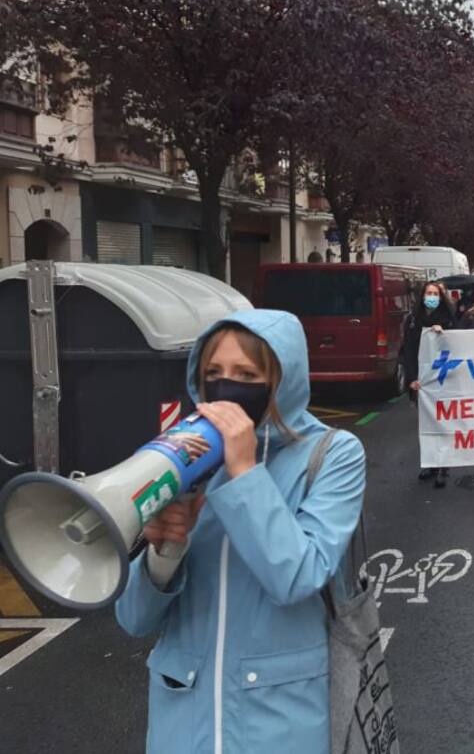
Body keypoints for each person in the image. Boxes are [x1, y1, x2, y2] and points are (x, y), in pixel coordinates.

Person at [116, 311, 366, 754]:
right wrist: (165, 551)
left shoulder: (333, 454)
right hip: (182, 722)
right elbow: (134, 620)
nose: (226, 386)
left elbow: (298, 578)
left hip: (280, 721)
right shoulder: (187, 453)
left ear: (282, 379)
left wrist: (244, 471)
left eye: (246, 374)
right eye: (213, 373)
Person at [402, 280, 456, 487]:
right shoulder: (413, 320)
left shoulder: (448, 320)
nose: (432, 296)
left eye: (435, 293)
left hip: (441, 380)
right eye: (429, 293)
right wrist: (412, 378)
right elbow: (407, 351)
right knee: (427, 424)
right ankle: (431, 462)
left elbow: (457, 348)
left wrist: (443, 334)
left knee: (443, 423)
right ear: (423, 296)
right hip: (422, 383)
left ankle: (444, 466)